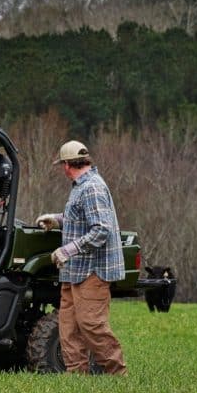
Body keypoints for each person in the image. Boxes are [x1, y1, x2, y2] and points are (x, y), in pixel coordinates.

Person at [37, 140, 127, 376]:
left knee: (92, 325)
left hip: (92, 271)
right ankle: (77, 375)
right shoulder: (81, 186)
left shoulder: (92, 188)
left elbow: (101, 230)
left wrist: (67, 251)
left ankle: (118, 374)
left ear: (67, 165)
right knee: (68, 328)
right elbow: (80, 219)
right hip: (74, 271)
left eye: (62, 165)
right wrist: (56, 220)